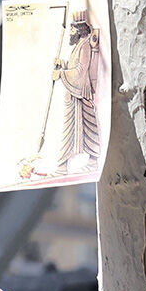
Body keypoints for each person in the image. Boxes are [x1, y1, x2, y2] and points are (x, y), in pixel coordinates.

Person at [51, 9, 101, 174]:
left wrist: (61, 74)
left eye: (72, 29)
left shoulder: (85, 45)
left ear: (79, 29)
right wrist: (64, 66)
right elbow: (75, 67)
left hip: (80, 93)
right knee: (73, 130)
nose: (70, 32)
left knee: (83, 130)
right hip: (75, 93)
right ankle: (64, 165)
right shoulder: (80, 45)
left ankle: (65, 166)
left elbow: (81, 70)